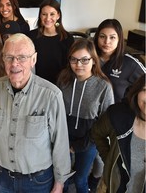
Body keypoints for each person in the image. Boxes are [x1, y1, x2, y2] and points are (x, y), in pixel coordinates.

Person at [0, 33, 73, 193]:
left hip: (37, 181)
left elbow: (60, 143)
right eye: (9, 57)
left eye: (22, 57)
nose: (14, 63)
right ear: (3, 60)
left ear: (34, 59)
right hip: (1, 175)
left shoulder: (51, 95)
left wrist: (60, 182)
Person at [57, 39, 114, 193]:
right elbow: (56, 112)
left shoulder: (104, 86)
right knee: (63, 177)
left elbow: (105, 124)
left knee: (80, 179)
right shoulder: (64, 79)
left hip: (89, 141)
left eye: (84, 60)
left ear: (94, 61)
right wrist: (62, 142)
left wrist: (79, 146)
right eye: (74, 59)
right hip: (63, 139)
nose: (78, 64)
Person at [91, 74, 146, 193]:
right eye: (145, 90)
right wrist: (109, 159)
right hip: (112, 187)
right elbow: (97, 133)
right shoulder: (118, 115)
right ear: (137, 92)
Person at [94, 19, 146, 103]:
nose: (107, 41)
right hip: (88, 110)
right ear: (97, 38)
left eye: (112, 37)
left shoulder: (130, 63)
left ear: (119, 39)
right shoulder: (89, 57)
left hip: (112, 112)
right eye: (102, 36)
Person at [27, 0, 74, 85]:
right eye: (44, 14)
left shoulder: (68, 39)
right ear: (40, 15)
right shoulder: (31, 37)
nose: (48, 18)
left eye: (52, 14)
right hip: (36, 85)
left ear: (58, 15)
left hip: (60, 85)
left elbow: (69, 67)